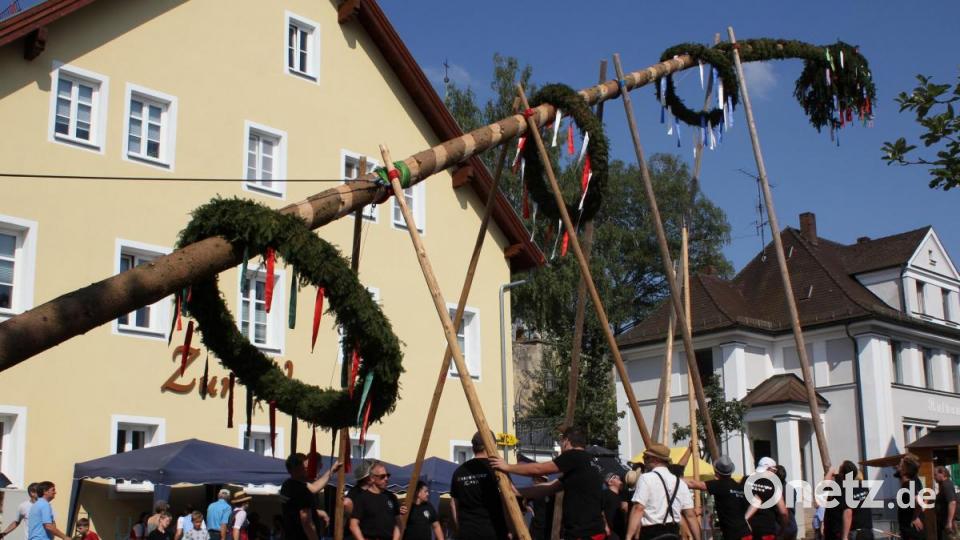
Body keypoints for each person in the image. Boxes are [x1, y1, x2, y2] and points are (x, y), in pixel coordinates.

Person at [490, 425, 605, 540]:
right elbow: (550, 487)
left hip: (583, 533)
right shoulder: (587, 461)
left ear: (566, 441)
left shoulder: (573, 456)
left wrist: (507, 467)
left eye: (561, 442)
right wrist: (518, 492)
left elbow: (539, 469)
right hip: (593, 531)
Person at [624, 443, 699, 540]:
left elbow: (638, 508)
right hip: (673, 533)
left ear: (656, 459)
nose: (643, 459)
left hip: (651, 533)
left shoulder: (646, 478)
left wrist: (628, 536)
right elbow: (691, 515)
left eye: (646, 457)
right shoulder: (679, 483)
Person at [451, 432, 509, 540]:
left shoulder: (459, 472)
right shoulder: (497, 469)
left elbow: (454, 504)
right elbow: (507, 500)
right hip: (493, 532)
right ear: (492, 446)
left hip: (467, 533)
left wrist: (460, 529)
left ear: (473, 448)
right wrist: (510, 529)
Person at [685, 455, 749, 540]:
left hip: (732, 534)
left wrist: (672, 478)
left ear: (716, 472)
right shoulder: (738, 486)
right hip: (746, 532)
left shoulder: (719, 485)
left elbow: (693, 484)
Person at [279, 453, 341, 540]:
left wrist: (318, 512)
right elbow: (306, 521)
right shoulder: (301, 490)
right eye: (306, 466)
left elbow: (314, 488)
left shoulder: (287, 485)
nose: (308, 469)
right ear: (299, 468)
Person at [346, 460, 400, 540]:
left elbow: (398, 523)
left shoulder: (392, 497)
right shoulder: (362, 498)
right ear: (372, 478)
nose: (386, 479)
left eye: (387, 475)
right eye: (382, 476)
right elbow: (353, 525)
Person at [822, 461, 872, 540]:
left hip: (854, 533)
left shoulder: (846, 489)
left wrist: (830, 471)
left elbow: (848, 512)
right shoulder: (864, 488)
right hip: (867, 532)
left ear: (842, 475)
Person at [744, 457, 788, 540]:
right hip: (766, 531)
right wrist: (783, 529)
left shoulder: (745, 480)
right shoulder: (774, 486)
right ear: (771, 470)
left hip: (746, 531)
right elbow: (783, 512)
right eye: (775, 471)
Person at [898, 454, 926, 540]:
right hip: (912, 530)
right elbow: (924, 502)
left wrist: (915, 517)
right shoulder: (916, 481)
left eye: (901, 465)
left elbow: (920, 502)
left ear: (905, 468)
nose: (899, 467)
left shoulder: (909, 485)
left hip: (911, 531)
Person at [773, 465, 798, 540]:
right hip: (792, 527)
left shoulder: (774, 490)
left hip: (780, 528)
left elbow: (784, 512)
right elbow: (789, 508)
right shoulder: (789, 488)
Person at [602, 473, 628, 540]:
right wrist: (605, 526)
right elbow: (600, 510)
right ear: (610, 482)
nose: (618, 477)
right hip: (610, 532)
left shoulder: (622, 496)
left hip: (622, 532)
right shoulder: (605, 494)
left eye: (618, 476)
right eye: (614, 477)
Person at [527, 476, 554, 540]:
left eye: (536, 480)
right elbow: (524, 501)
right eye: (534, 479)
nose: (534, 481)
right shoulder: (534, 492)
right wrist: (528, 507)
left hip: (548, 526)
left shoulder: (552, 493)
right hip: (537, 526)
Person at [935, 466, 958, 540]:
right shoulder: (944, 484)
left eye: (935, 475)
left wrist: (949, 522)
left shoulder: (946, 485)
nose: (934, 477)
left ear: (942, 473)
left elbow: (952, 502)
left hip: (947, 524)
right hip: (944, 522)